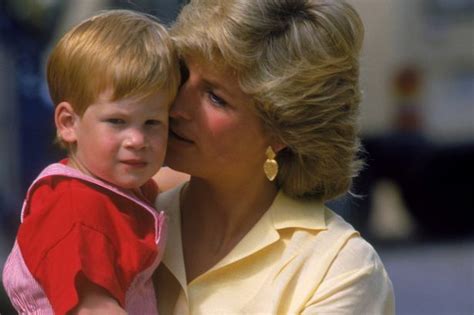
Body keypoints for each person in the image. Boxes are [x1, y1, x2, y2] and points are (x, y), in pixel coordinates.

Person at [152, 0, 395, 314]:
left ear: (283, 130)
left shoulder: (337, 269)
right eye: (182, 73)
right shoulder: (130, 218)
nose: (176, 107)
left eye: (215, 97)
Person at [2, 9, 179, 314]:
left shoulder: (108, 186)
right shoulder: (75, 211)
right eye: (117, 121)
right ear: (68, 122)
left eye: (152, 123)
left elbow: (168, 183)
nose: (137, 139)